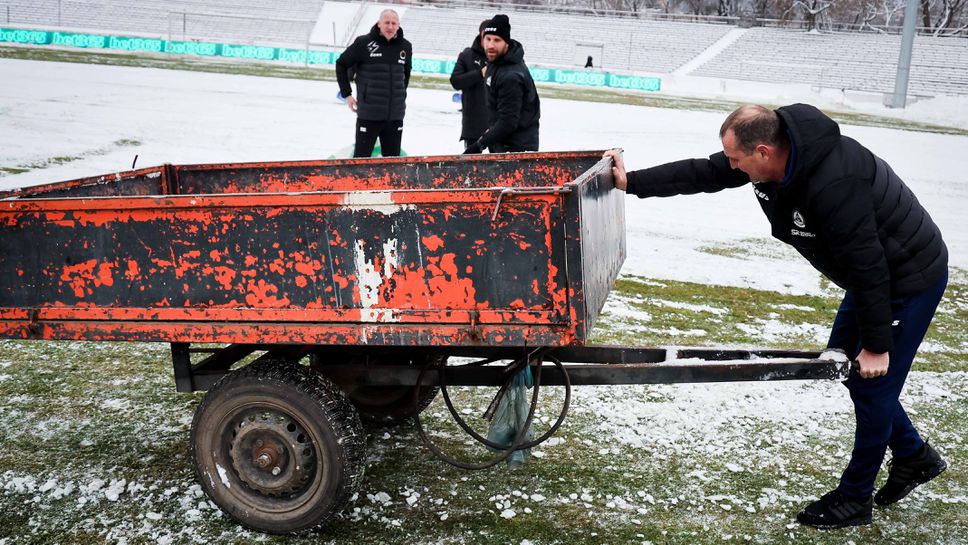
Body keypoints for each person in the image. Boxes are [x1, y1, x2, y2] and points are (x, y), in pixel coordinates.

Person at [605, 103, 948, 529]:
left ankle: (856, 498)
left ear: (764, 152)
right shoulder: (775, 157)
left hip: (907, 278)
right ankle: (915, 456)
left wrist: (878, 346)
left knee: (872, 384)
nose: (731, 166)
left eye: (736, 159)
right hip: (871, 280)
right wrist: (631, 183)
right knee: (843, 365)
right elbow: (705, 172)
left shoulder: (835, 182)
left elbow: (869, 265)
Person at [335, 9, 412, 158]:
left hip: (395, 116)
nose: (390, 27)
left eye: (393, 23)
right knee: (361, 162)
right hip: (369, 115)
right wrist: (347, 95)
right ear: (379, 24)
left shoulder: (405, 46)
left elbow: (405, 76)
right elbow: (341, 64)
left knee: (392, 165)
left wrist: (400, 97)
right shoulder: (364, 43)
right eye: (387, 23)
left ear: (398, 25)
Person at [462, 14, 540, 154]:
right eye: (488, 39)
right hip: (502, 145)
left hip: (516, 150)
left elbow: (508, 121)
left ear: (506, 43)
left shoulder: (511, 75)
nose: (491, 45)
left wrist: (479, 144)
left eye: (497, 40)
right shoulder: (496, 62)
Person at [450, 20, 490, 148]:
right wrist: (479, 73)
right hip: (473, 124)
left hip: (498, 124)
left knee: (499, 164)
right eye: (487, 37)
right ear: (481, 34)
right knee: (472, 165)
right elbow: (455, 81)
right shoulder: (467, 55)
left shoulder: (504, 57)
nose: (490, 41)